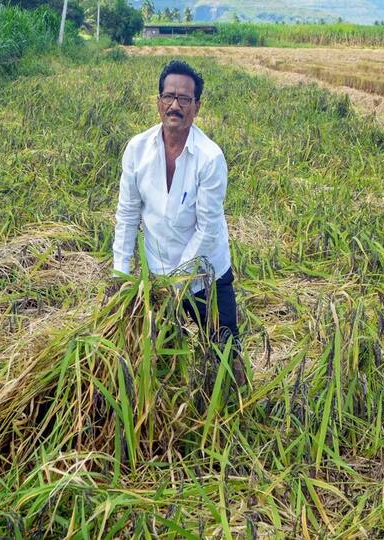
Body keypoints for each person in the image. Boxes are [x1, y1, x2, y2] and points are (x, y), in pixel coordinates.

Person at [112, 60, 245, 385]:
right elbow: (127, 214)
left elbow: (207, 228)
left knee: (226, 352)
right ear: (158, 101)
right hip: (156, 274)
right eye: (169, 96)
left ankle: (239, 405)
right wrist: (121, 276)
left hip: (206, 275)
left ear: (197, 107)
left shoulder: (210, 158)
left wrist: (175, 285)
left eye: (185, 99)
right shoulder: (137, 150)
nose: (175, 105)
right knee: (160, 353)